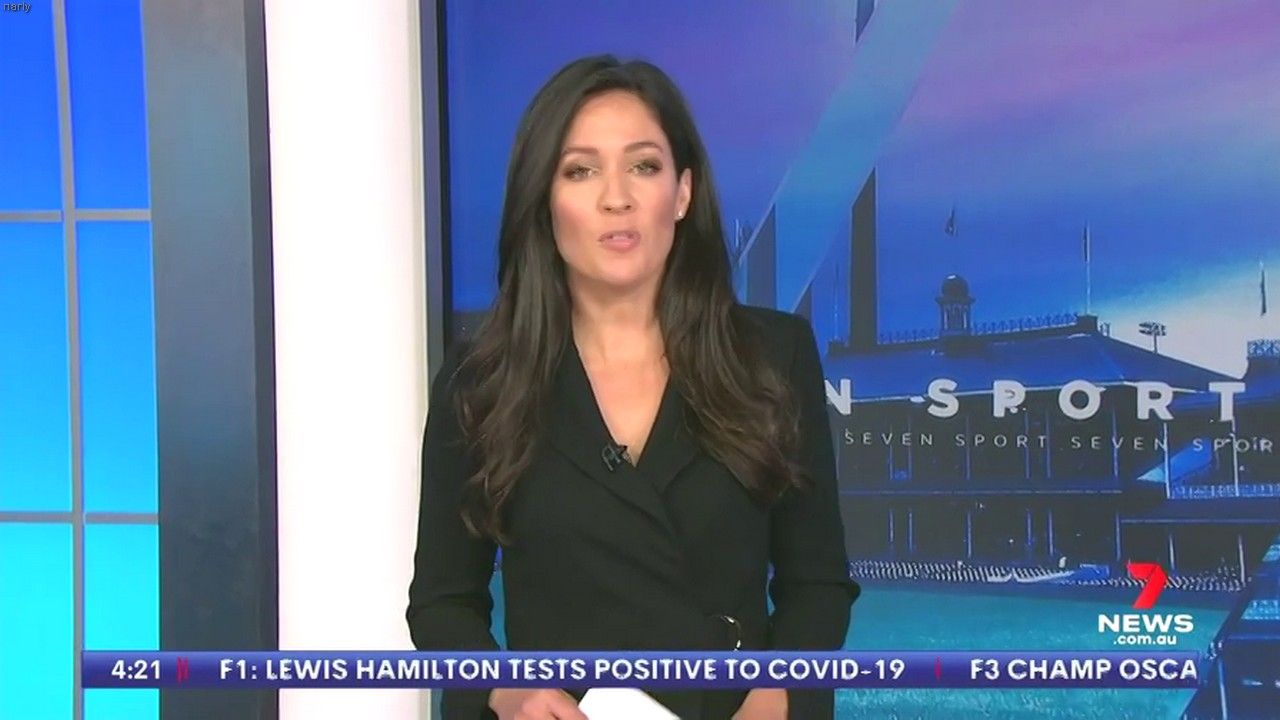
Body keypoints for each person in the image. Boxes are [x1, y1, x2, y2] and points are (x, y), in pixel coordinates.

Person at [407, 54, 859, 719]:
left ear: (682, 193)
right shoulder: (482, 380)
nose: (615, 197)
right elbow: (442, 604)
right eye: (580, 170)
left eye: (643, 166)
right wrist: (508, 689)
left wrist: (779, 694)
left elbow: (817, 584)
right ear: (544, 200)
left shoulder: (772, 357)